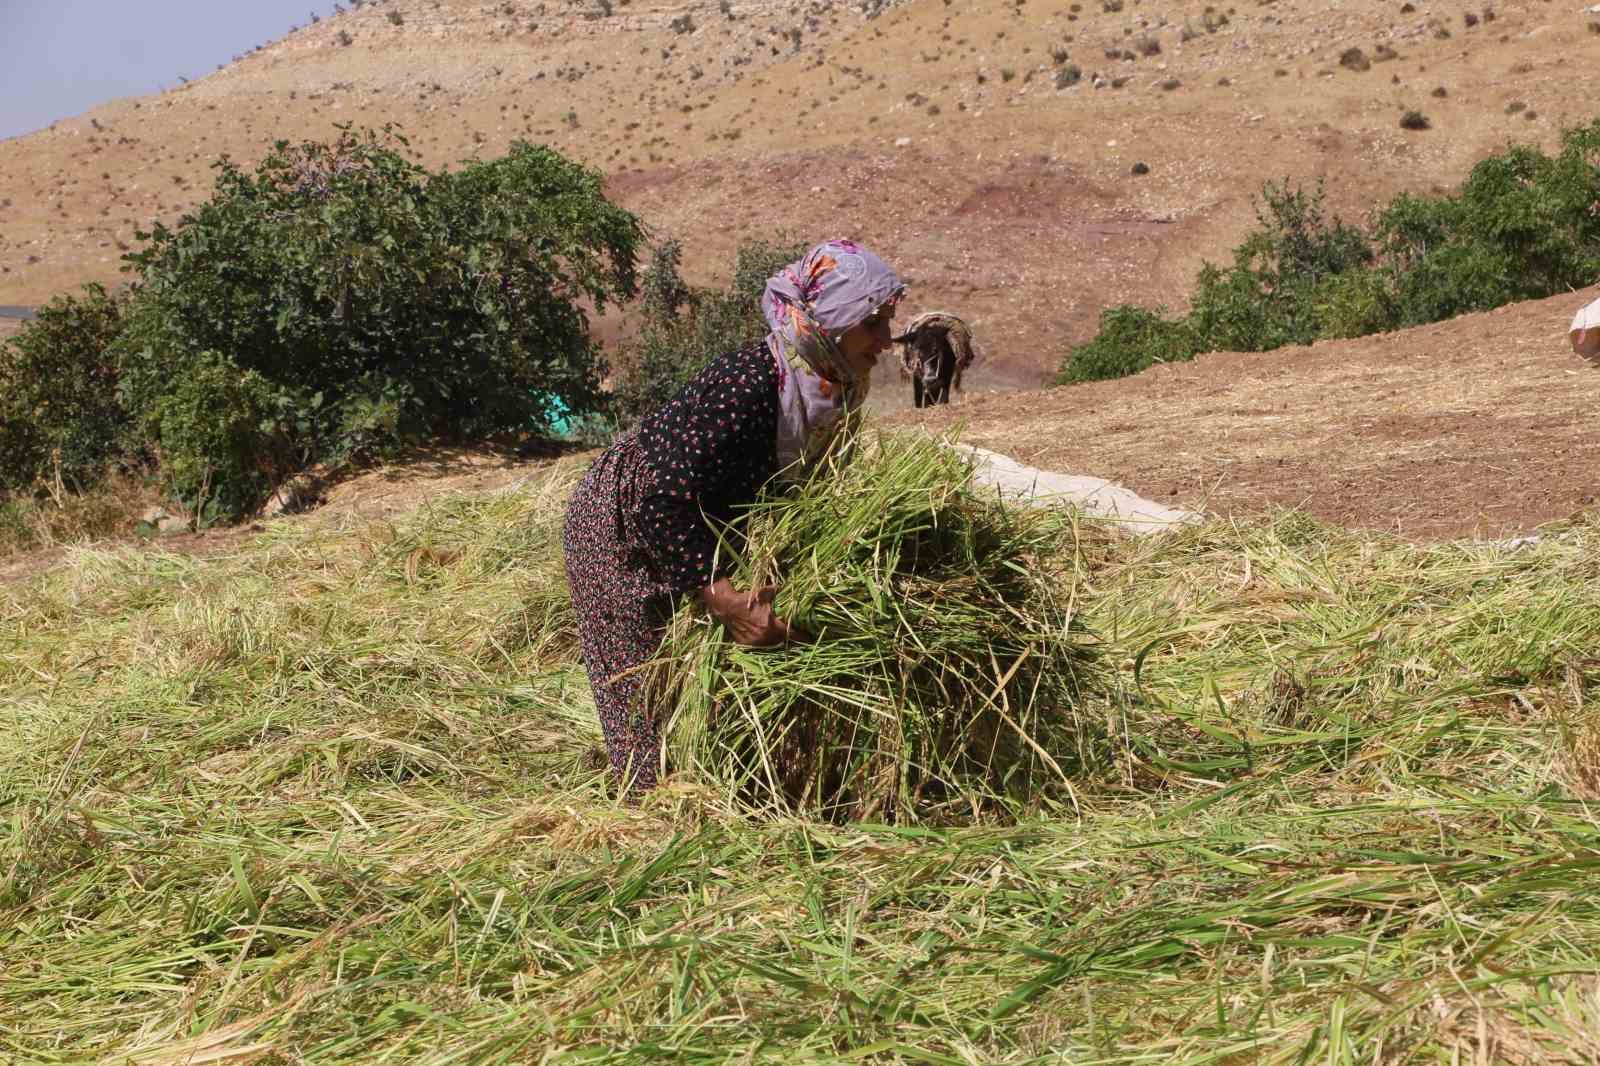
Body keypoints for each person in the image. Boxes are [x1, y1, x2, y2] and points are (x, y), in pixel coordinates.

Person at [562, 239, 905, 793]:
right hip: (623, 529)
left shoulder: (831, 385)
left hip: (701, 529)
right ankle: (648, 817)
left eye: (888, 323)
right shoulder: (752, 382)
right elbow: (664, 495)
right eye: (874, 324)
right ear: (836, 318)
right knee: (643, 693)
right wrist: (721, 595)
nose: (887, 342)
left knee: (704, 687)